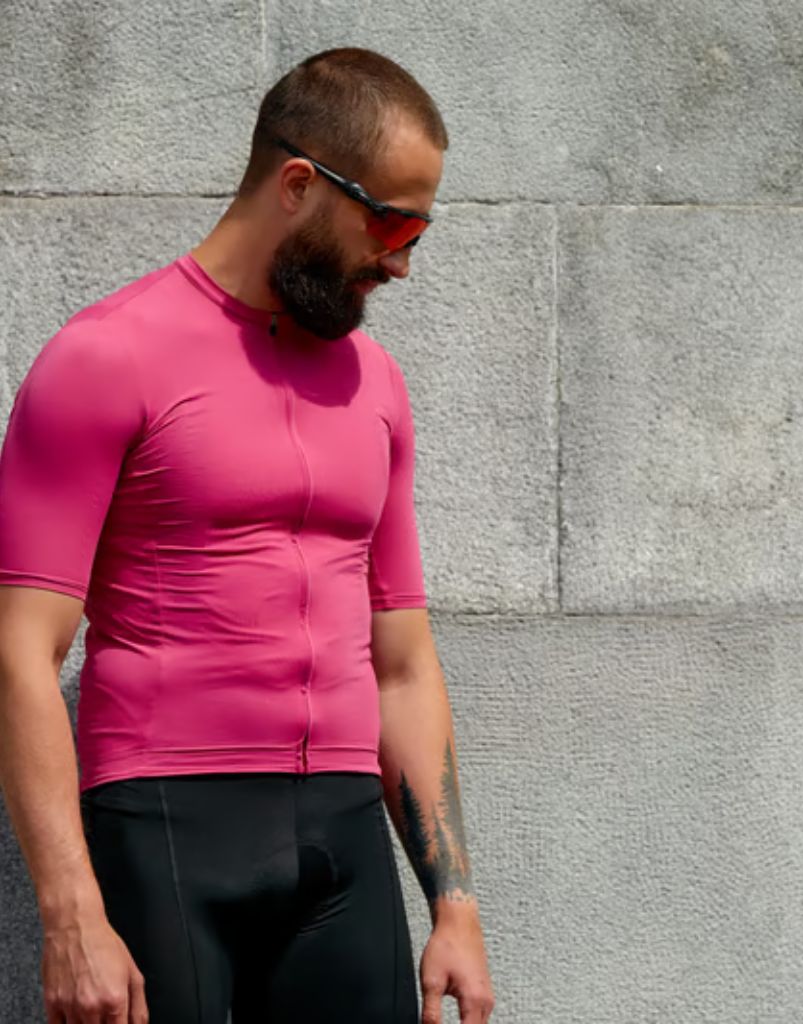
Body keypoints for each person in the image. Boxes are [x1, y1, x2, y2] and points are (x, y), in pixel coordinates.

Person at [0, 47, 496, 1024]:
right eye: (391, 222)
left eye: (420, 231)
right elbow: (22, 649)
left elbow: (401, 660)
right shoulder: (106, 357)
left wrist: (454, 902)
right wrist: (70, 915)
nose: (400, 260)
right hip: (165, 827)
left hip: (345, 841)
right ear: (299, 184)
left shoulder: (376, 385)